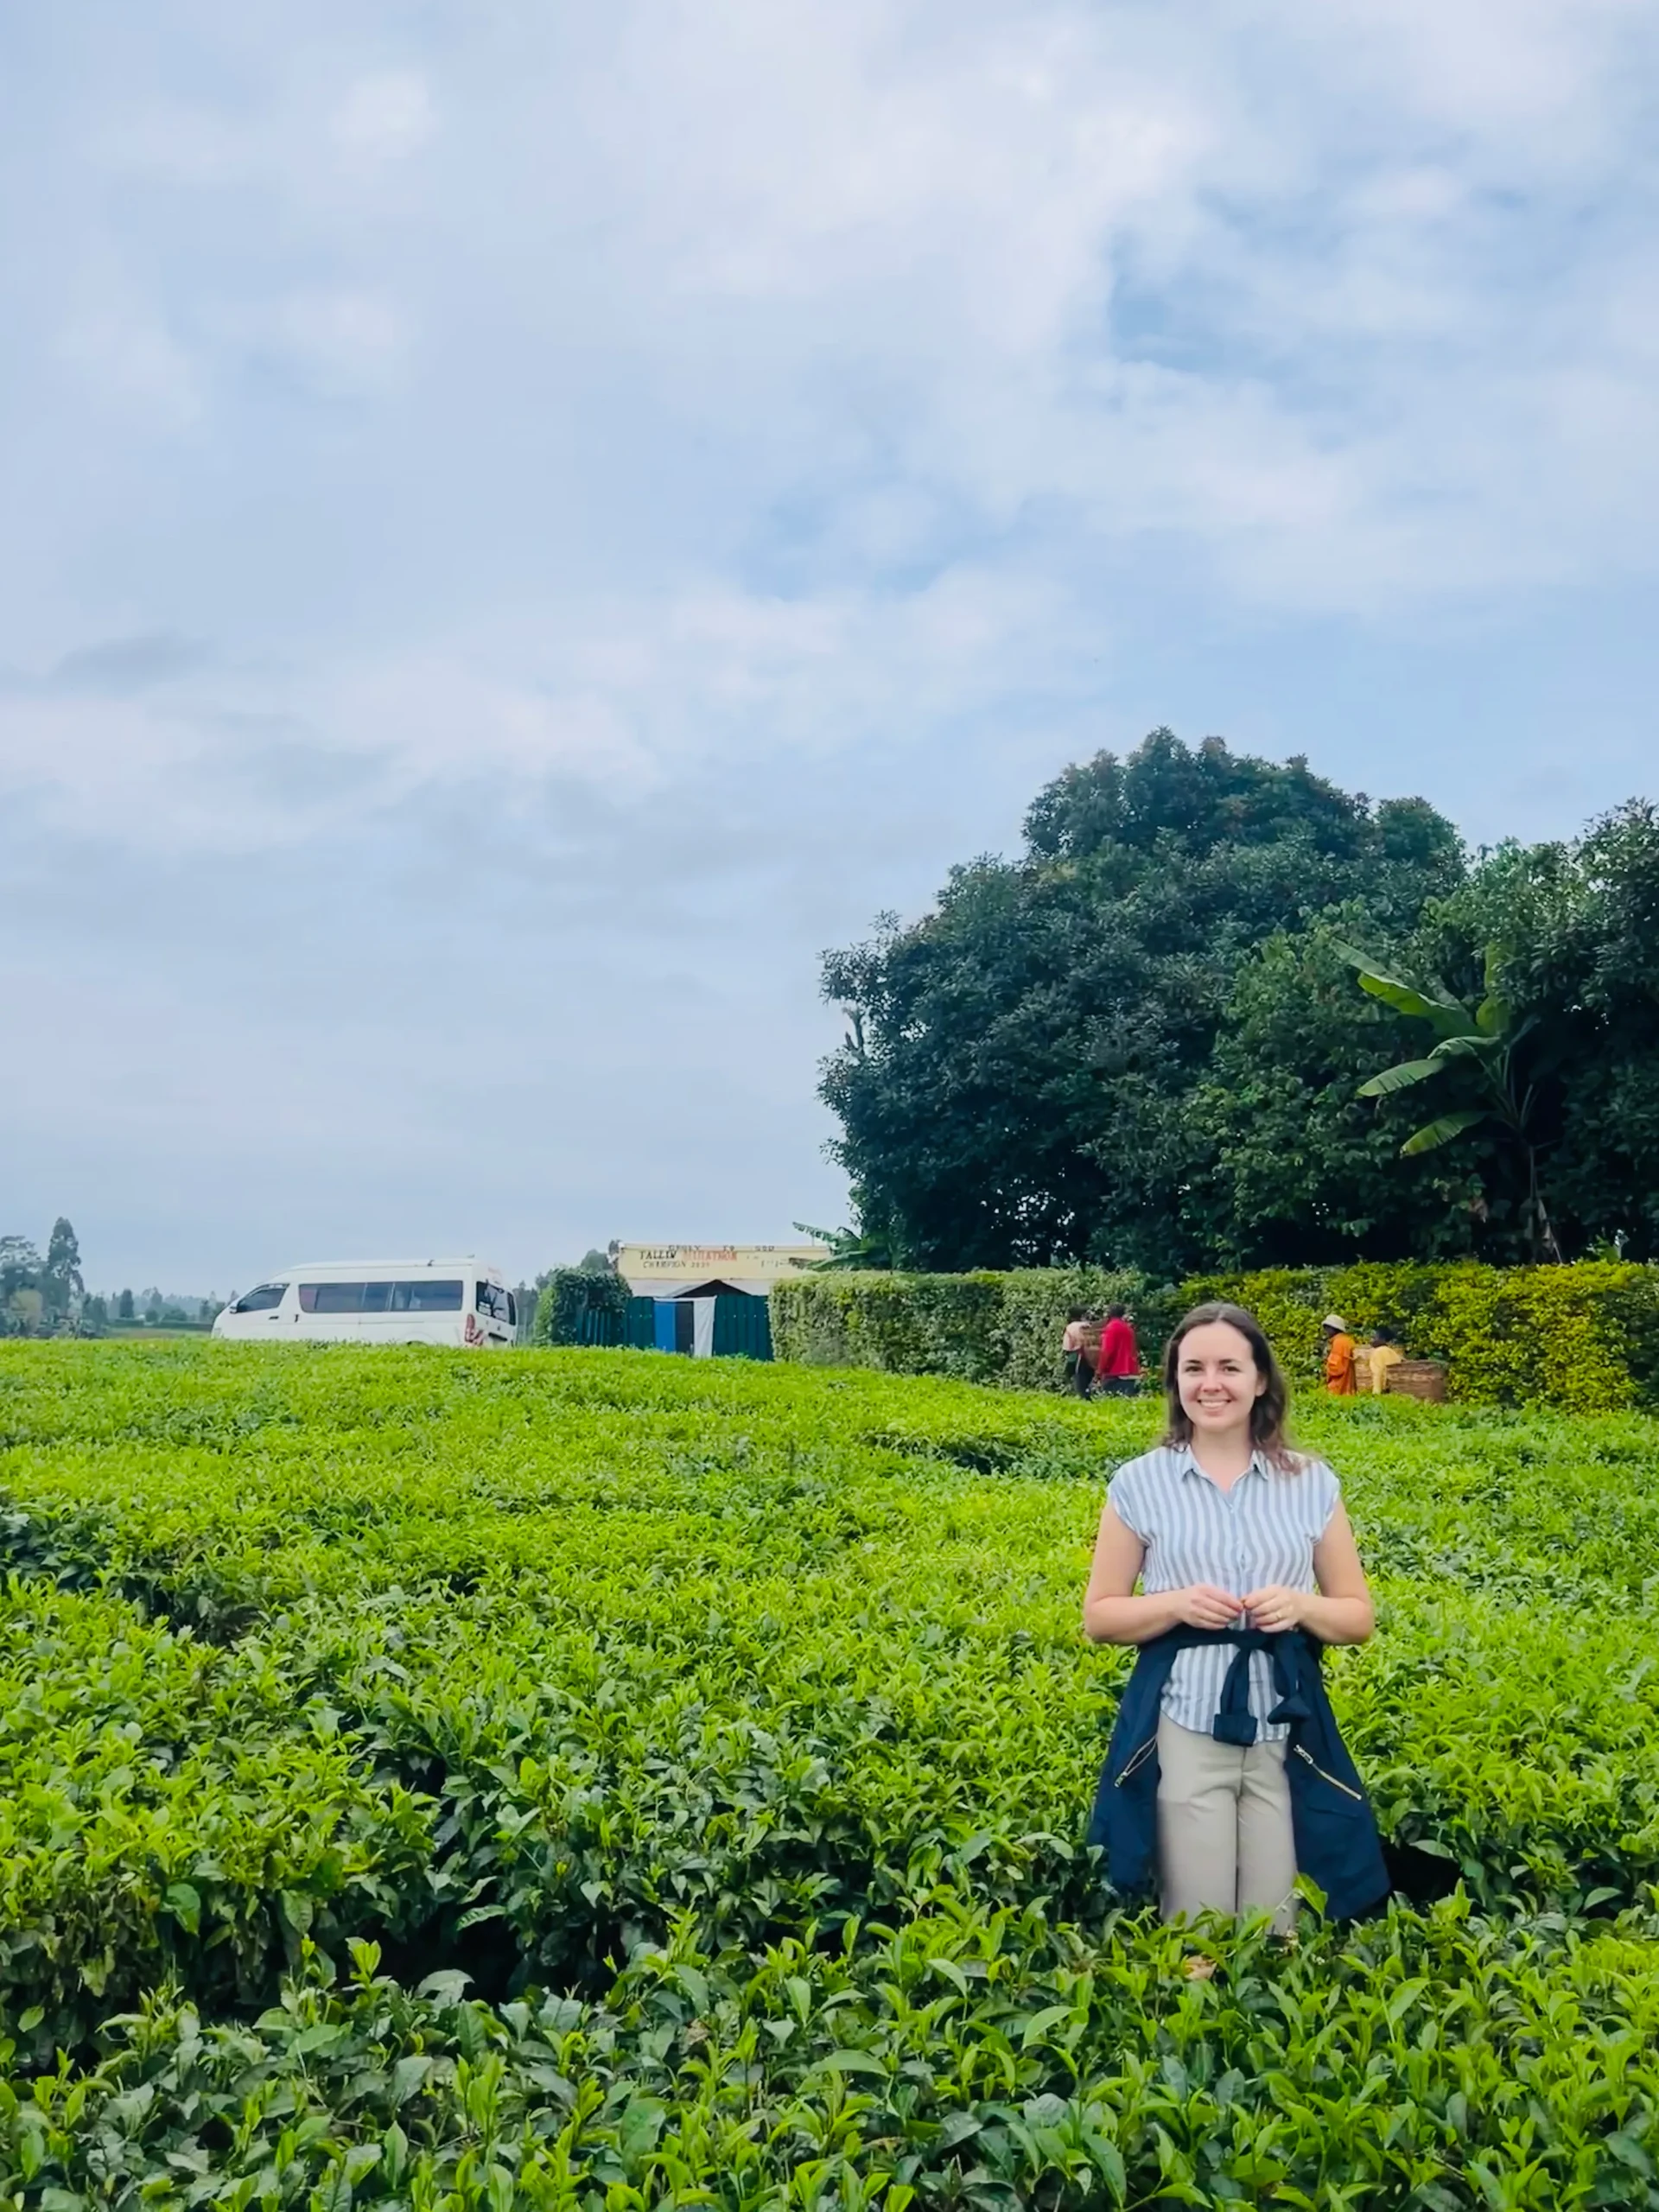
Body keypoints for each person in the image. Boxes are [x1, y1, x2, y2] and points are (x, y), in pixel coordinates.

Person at [1082, 1301, 1386, 1929]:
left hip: (1286, 1733)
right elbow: (1101, 1616)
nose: (1210, 1383)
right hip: (1187, 1726)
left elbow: (1357, 1616)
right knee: (1198, 1928)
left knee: (1276, 1929)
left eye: (1229, 1367)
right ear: (1174, 1381)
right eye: (1193, 1368)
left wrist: (1301, 1605)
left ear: (1261, 1379)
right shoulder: (1139, 1483)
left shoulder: (1311, 1483)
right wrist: (1175, 1604)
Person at [1096, 1303, 1141, 1397]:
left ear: (1109, 1314)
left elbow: (1107, 1351)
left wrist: (1099, 1371)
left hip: (1115, 1373)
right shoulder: (1128, 1329)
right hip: (1130, 1372)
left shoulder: (1111, 1328)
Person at [1061, 1308, 1096, 1397]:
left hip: (1078, 1356)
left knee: (1080, 1383)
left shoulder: (1070, 1327)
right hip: (1093, 1356)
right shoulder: (1089, 1325)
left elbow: (1067, 1347)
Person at [1322, 1314, 1357, 1396]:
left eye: (1328, 1328)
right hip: (1350, 1386)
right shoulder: (1348, 1340)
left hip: (1339, 1386)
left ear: (1334, 1329)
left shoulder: (1339, 1343)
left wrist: (1327, 1366)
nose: (1326, 1331)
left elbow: (1336, 1368)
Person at [1367, 1327, 1405, 1395]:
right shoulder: (1392, 1352)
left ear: (1382, 1339)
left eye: (1375, 1337)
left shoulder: (1379, 1352)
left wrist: (1376, 1392)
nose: (1372, 1339)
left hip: (1385, 1390)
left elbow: (1378, 1373)